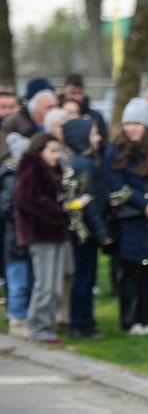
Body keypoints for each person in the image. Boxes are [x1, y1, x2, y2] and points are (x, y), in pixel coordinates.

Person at [105, 99, 148, 335]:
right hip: (129, 219)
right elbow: (116, 185)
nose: (132, 128)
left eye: (137, 123)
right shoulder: (115, 151)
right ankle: (130, 319)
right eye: (128, 123)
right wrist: (144, 204)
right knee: (129, 273)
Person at [14, 133, 73, 344]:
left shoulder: (53, 170)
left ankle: (46, 325)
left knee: (55, 285)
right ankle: (37, 326)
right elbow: (27, 199)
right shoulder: (32, 169)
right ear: (40, 151)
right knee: (45, 285)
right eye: (52, 151)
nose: (57, 156)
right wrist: (57, 213)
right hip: (40, 233)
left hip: (56, 232)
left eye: (58, 151)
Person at [62, 117, 109, 340]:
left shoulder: (88, 161)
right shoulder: (84, 164)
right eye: (93, 134)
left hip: (86, 230)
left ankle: (86, 322)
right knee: (84, 277)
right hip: (84, 232)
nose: (98, 138)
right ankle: (79, 323)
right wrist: (101, 233)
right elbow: (87, 202)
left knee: (87, 277)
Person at [1, 134, 32, 338]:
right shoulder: (11, 178)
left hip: (26, 239)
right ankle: (17, 318)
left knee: (26, 281)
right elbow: (6, 208)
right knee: (18, 283)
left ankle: (24, 316)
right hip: (16, 241)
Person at [0, 87, 57, 162]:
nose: (8, 111)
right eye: (3, 107)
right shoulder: (7, 127)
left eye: (12, 107)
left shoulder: (26, 123)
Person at [60, 74, 109, 148]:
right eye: (72, 93)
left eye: (78, 93)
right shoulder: (56, 115)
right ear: (64, 91)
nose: (75, 97)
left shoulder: (95, 117)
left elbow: (103, 142)